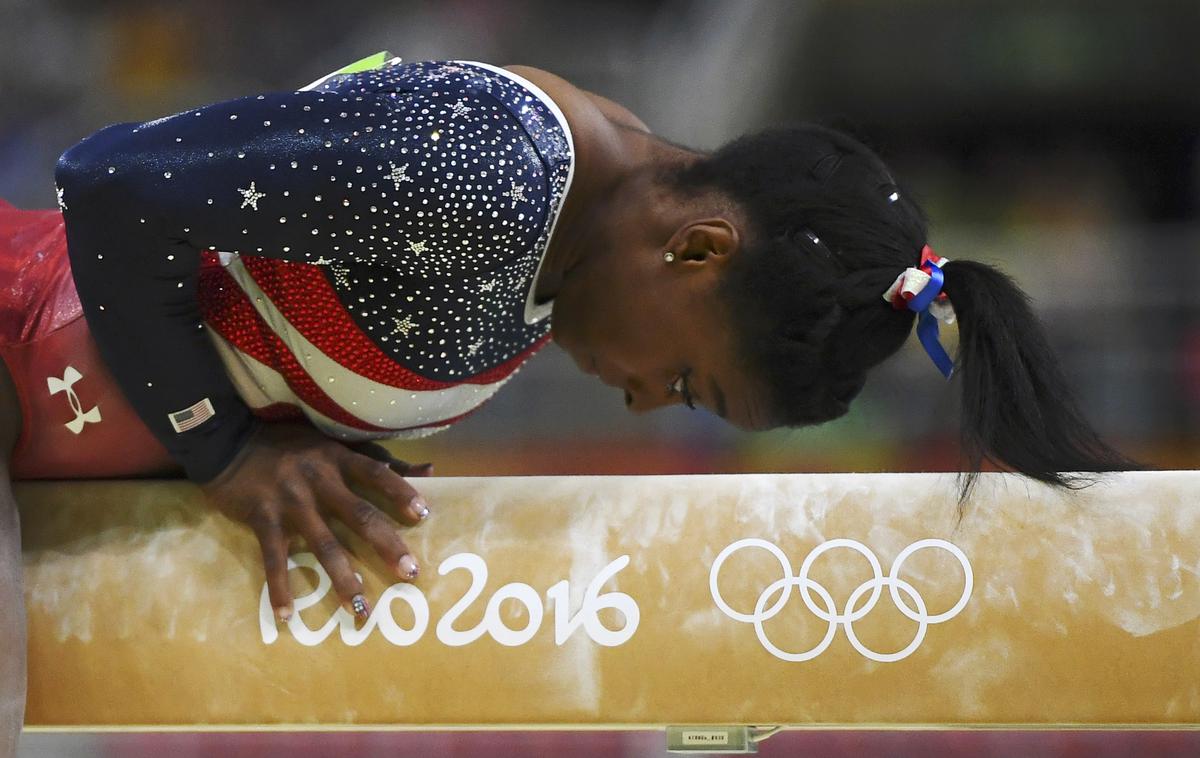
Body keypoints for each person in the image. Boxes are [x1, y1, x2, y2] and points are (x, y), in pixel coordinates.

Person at [0, 53, 1134, 752]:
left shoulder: (561, 246)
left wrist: (301, 436)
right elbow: (109, 182)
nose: (649, 404)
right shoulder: (492, 174)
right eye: (690, 380)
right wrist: (226, 451)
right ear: (696, 247)